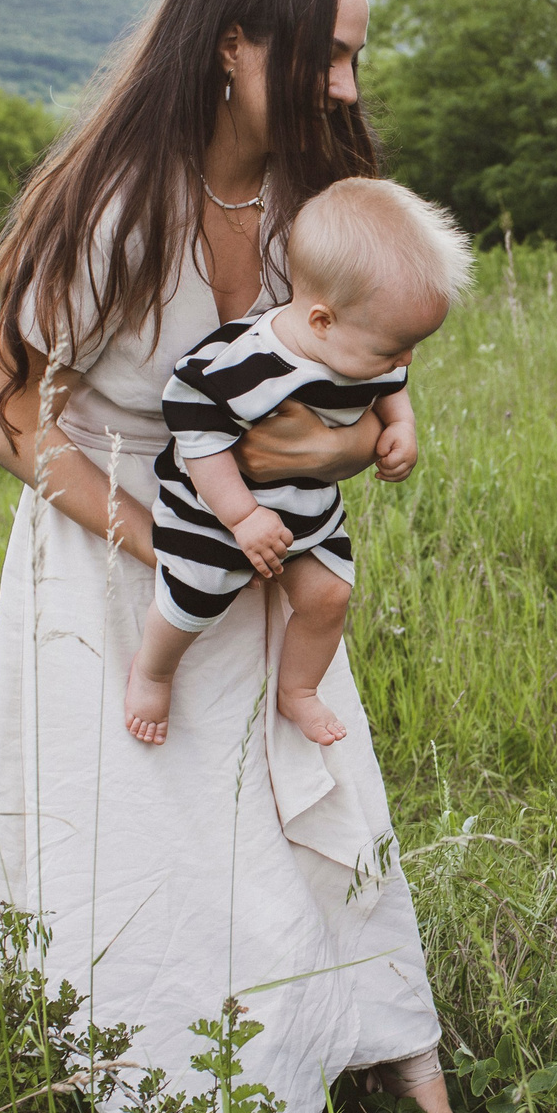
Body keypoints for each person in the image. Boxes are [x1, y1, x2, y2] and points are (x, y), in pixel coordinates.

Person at [0, 0, 514, 1113]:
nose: (348, 87)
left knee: (314, 812)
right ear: (231, 45)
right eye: (327, 57)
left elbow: (363, 354)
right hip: (117, 565)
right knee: (163, 855)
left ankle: (413, 1087)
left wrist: (369, 430)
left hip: (265, 557)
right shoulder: (104, 208)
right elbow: (5, 416)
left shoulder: (312, 207)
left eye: (353, 58)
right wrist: (158, 536)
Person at [127, 179, 461, 750]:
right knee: (193, 590)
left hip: (306, 509)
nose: (403, 360)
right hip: (217, 509)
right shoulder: (251, 366)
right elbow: (191, 420)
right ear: (322, 322)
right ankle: (153, 671)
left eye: (414, 346)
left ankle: (297, 691)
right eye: (394, 349)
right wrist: (240, 516)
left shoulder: (372, 340)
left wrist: (401, 426)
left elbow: (391, 384)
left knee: (330, 594)